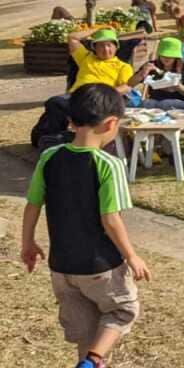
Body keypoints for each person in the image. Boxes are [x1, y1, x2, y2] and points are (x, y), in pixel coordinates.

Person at [20, 84, 151, 368]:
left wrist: (27, 243)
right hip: (100, 267)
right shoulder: (108, 164)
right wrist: (131, 255)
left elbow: (33, 205)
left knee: (87, 333)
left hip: (62, 267)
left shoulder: (49, 157)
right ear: (111, 123)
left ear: (71, 121)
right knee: (122, 311)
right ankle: (91, 362)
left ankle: (89, 360)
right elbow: (110, 219)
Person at [31, 29, 135, 149]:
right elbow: (72, 38)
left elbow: (127, 87)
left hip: (96, 99)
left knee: (57, 103)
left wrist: (102, 94)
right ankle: (51, 139)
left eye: (109, 45)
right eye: (101, 45)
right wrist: (98, 28)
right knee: (55, 103)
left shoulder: (123, 67)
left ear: (116, 47)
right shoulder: (86, 57)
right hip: (75, 95)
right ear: (94, 48)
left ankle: (50, 139)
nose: (106, 49)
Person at [132, 37, 184, 113]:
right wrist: (143, 73)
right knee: (146, 103)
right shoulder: (152, 65)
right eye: (164, 55)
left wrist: (178, 86)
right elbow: (130, 83)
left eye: (170, 55)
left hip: (182, 102)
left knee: (165, 104)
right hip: (157, 101)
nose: (166, 58)